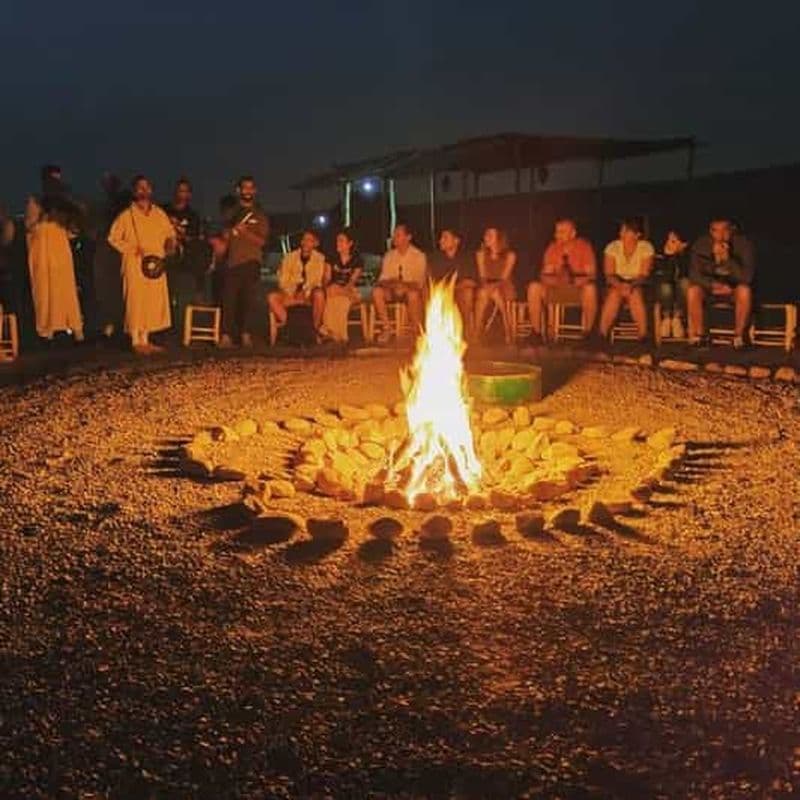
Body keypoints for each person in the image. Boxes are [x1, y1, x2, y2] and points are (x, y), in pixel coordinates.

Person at [108, 175, 176, 354]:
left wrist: (169, 244)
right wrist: (131, 249)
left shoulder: (159, 214)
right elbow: (113, 238)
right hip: (135, 262)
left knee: (152, 300)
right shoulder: (126, 216)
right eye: (140, 188)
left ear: (151, 190)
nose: (144, 191)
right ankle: (136, 340)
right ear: (134, 191)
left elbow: (170, 234)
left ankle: (146, 339)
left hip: (156, 263)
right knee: (136, 300)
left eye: (146, 188)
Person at [25, 165, 85, 342]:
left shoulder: (65, 202)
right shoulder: (35, 200)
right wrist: (44, 217)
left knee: (66, 288)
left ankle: (75, 327)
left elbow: (71, 231)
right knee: (45, 290)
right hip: (41, 250)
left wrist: (73, 225)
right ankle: (46, 330)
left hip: (60, 250)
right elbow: (29, 225)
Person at [526, 218, 597, 344]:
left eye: (562, 232)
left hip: (577, 290)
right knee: (534, 287)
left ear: (573, 233)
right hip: (556, 289)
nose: (557, 235)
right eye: (557, 231)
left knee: (591, 289)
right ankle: (536, 332)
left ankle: (588, 333)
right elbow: (545, 275)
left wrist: (573, 280)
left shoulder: (584, 247)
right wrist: (557, 279)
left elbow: (591, 274)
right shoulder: (553, 248)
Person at [687, 218, 754, 348]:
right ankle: (701, 336)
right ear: (710, 232)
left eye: (725, 230)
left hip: (733, 290)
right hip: (711, 289)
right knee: (692, 290)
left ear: (732, 230)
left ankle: (739, 337)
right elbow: (694, 275)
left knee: (745, 290)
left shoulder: (744, 245)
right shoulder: (701, 245)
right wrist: (713, 285)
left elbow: (747, 277)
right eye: (716, 231)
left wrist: (728, 259)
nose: (721, 235)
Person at [220, 176, 269, 347]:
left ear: (254, 191)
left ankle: (245, 334)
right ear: (238, 190)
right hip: (232, 262)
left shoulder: (260, 215)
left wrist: (245, 232)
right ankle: (226, 335)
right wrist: (230, 232)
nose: (247, 191)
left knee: (249, 300)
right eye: (244, 188)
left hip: (251, 261)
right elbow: (223, 236)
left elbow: (262, 241)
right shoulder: (230, 213)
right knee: (229, 300)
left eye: (250, 188)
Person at [598, 218, 654, 341]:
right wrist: (620, 285)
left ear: (637, 235)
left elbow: (644, 274)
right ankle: (602, 334)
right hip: (616, 282)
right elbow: (609, 273)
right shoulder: (612, 247)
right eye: (621, 231)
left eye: (625, 231)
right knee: (613, 294)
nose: (621, 234)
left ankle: (643, 335)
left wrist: (630, 285)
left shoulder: (646, 247)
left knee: (635, 294)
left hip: (638, 282)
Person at [372, 223, 427, 342]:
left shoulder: (418, 256)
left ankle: (416, 330)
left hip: (410, 291)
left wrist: (403, 285)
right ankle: (387, 328)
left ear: (408, 237)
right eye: (394, 235)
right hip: (391, 290)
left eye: (398, 235)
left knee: (413, 294)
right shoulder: (389, 255)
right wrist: (394, 284)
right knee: (377, 292)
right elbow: (382, 280)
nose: (394, 238)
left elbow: (419, 282)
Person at [268, 229, 327, 335]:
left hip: (308, 296)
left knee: (319, 294)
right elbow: (283, 280)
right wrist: (294, 291)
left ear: (316, 243)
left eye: (310, 240)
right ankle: (292, 326)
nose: (305, 242)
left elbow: (316, 280)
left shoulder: (320, 259)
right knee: (272, 297)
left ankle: (314, 329)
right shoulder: (289, 258)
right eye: (304, 239)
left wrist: (304, 292)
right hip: (290, 294)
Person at [163, 177, 207, 301]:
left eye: (185, 191)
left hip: (184, 259)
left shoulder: (193, 216)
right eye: (180, 191)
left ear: (189, 194)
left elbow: (194, 238)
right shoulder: (163, 211)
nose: (182, 194)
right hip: (164, 254)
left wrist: (181, 234)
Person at [429, 227, 478, 335]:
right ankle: (435, 330)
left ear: (456, 241)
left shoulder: (466, 257)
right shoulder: (437, 258)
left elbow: (471, 281)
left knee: (467, 292)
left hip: (459, 291)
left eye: (445, 238)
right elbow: (435, 281)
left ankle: (465, 329)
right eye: (441, 238)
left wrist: (453, 288)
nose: (441, 241)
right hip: (442, 292)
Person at [320, 228, 363, 343]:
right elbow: (327, 278)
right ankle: (338, 335)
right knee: (334, 298)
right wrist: (330, 288)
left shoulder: (357, 260)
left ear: (350, 243)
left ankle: (331, 332)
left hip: (350, 290)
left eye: (341, 241)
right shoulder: (331, 258)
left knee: (342, 301)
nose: (338, 243)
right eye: (337, 241)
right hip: (332, 289)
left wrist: (341, 291)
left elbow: (352, 282)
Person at [474, 226, 516, 342]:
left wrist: (491, 287)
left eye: (490, 235)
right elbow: (482, 276)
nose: (486, 237)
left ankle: (477, 332)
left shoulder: (510, 255)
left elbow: (504, 278)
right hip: (487, 285)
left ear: (499, 238)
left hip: (504, 286)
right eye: (485, 235)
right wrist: (488, 286)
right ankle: (506, 328)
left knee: (492, 292)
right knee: (484, 292)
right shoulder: (480, 254)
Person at [654, 229, 690, 340]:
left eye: (674, 241)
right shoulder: (660, 255)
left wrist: (679, 255)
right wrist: (669, 257)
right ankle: (666, 318)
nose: (670, 243)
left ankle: (677, 318)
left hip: (680, 288)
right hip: (665, 288)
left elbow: (685, 273)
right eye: (668, 240)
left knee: (685, 283)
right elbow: (664, 276)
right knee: (665, 285)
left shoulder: (688, 255)